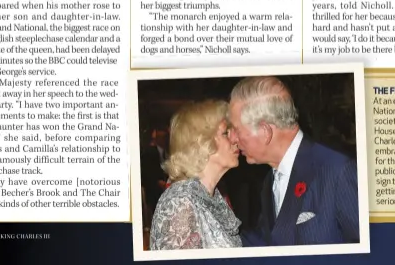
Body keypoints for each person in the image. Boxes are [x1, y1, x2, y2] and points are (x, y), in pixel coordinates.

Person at [228, 76, 359, 247]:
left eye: (236, 129)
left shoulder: (337, 171)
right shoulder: (271, 179)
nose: (232, 138)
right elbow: (268, 242)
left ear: (265, 131)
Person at [149, 100, 242, 250]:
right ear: (202, 143)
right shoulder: (180, 202)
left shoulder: (212, 196)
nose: (236, 139)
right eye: (226, 133)